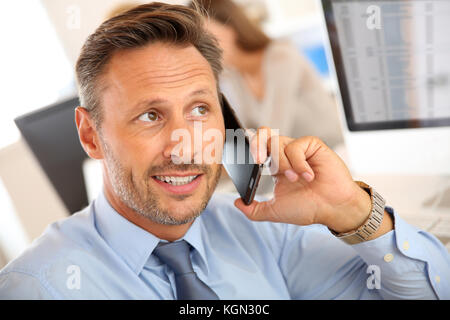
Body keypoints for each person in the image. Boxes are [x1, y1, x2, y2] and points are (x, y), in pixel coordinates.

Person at [0, 3, 448, 300]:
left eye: (199, 109)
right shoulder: (37, 288)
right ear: (91, 135)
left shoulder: (262, 229)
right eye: (150, 116)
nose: (185, 146)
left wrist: (353, 211)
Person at [191, 0, 344, 149]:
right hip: (289, 161)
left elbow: (272, 134)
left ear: (231, 28)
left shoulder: (281, 57)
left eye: (206, 37)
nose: (201, 50)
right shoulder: (231, 76)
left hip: (331, 151)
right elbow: (241, 133)